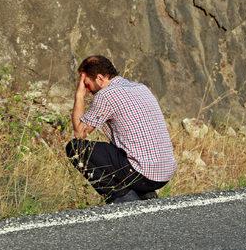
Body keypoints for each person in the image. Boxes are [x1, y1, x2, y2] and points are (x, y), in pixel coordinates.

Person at [65, 55, 177, 203]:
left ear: (99, 78)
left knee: (76, 148)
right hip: (164, 173)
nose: (87, 89)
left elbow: (80, 133)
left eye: (86, 83)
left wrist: (79, 96)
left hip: (143, 175)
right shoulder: (141, 88)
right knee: (117, 149)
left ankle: (126, 202)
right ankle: (145, 195)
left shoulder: (106, 95)